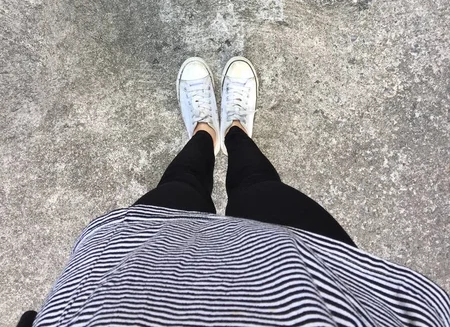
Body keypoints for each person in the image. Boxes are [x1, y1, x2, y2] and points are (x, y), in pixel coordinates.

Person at [19, 57, 449, 326]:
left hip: (129, 297)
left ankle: (208, 130)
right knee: (259, 194)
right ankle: (232, 130)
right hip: (311, 295)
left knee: (179, 192)